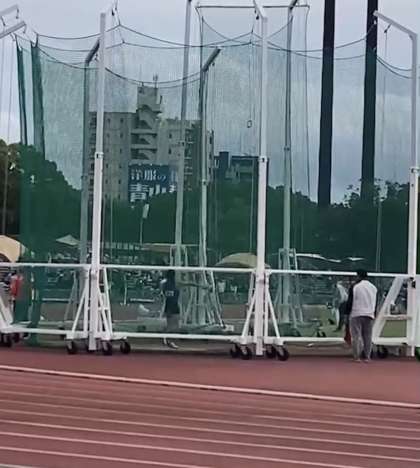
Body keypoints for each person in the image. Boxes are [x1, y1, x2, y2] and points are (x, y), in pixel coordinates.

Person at [346, 269, 377, 362]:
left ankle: (357, 356)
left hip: (356, 313)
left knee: (356, 336)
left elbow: (350, 301)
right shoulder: (373, 287)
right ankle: (367, 356)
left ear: (358, 276)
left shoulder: (355, 286)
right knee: (368, 336)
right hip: (369, 313)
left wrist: (347, 313)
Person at [160, 270, 180, 350]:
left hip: (174, 306)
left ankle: (166, 337)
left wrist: (199, 285)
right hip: (170, 306)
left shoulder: (176, 283)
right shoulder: (165, 284)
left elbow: (188, 283)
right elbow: (163, 295)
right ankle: (169, 340)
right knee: (172, 326)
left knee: (175, 325)